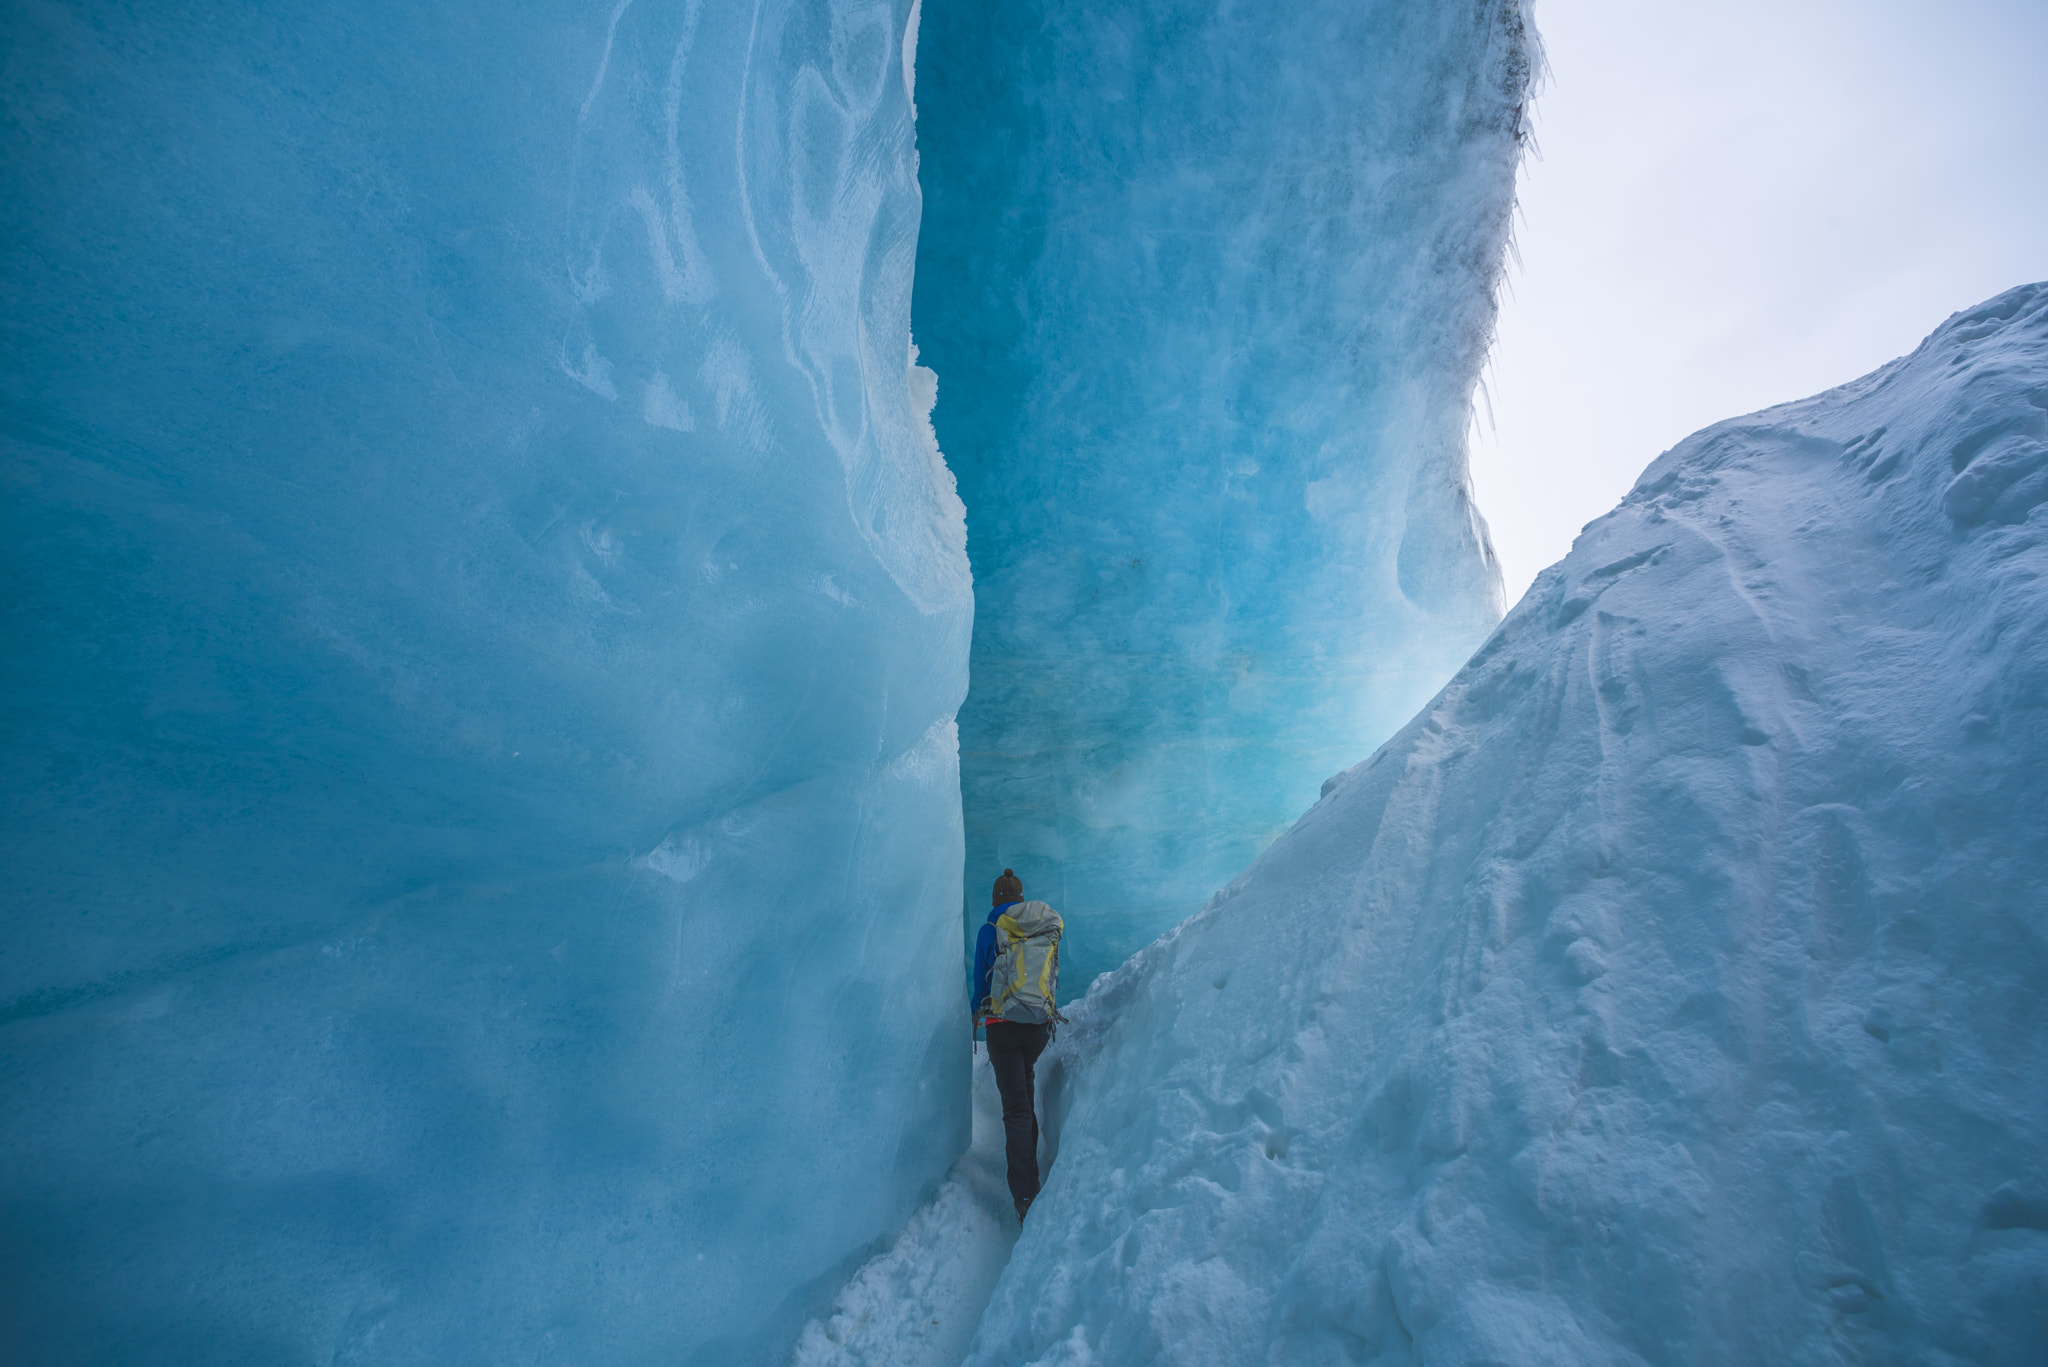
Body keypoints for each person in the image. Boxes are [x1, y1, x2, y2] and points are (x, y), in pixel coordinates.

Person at [971, 868, 1064, 1222]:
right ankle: (1031, 1174)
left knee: (1016, 1111)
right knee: (1024, 1094)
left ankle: (1025, 1195)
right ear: (1021, 899)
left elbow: (980, 983)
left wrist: (976, 1012)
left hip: (1003, 1029)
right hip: (1037, 1026)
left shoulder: (990, 931)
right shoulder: (1039, 928)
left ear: (996, 900)